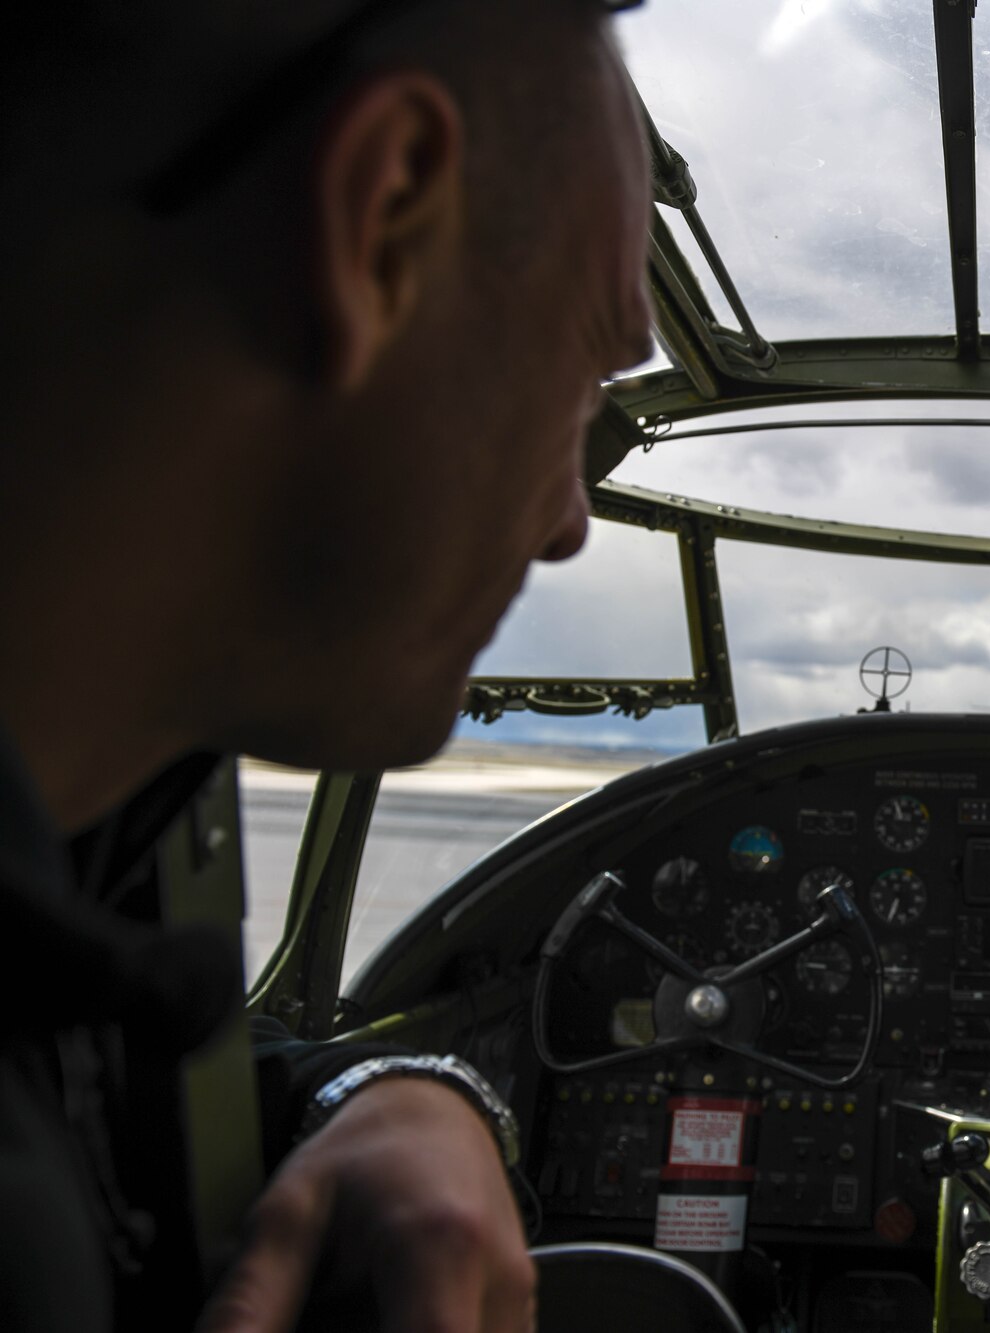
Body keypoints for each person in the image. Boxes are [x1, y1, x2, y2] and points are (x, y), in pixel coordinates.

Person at [0, 2, 656, 1330]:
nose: (571, 520)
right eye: (588, 379)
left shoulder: (83, 863)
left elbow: (130, 1079)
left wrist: (385, 1096)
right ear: (384, 220)